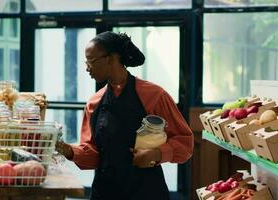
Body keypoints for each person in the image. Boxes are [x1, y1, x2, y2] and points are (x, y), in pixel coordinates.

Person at [56, 31, 194, 200]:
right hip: (105, 192)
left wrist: (156, 154)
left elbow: (185, 142)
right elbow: (93, 156)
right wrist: (68, 150)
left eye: (91, 61)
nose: (86, 68)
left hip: (146, 192)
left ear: (111, 58)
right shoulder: (94, 103)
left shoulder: (155, 95)